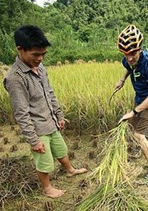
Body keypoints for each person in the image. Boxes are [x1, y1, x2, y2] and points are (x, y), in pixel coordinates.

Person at [3, 25, 87, 198]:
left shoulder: (40, 68)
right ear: (20, 49)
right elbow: (21, 113)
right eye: (35, 54)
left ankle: (70, 170)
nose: (40, 58)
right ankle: (47, 188)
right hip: (38, 128)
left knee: (61, 149)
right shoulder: (15, 78)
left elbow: (50, 93)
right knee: (44, 161)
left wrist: (59, 115)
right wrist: (34, 141)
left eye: (43, 54)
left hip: (51, 122)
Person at [115, 24, 148, 181]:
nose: (129, 58)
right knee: (133, 127)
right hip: (140, 99)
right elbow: (129, 67)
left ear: (140, 49)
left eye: (133, 54)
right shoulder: (127, 60)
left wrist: (134, 111)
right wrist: (122, 79)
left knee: (138, 134)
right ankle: (139, 148)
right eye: (125, 54)